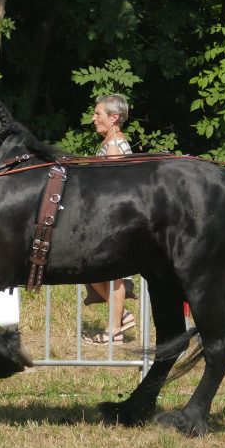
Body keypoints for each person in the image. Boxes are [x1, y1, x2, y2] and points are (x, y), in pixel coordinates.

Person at [86, 93, 135, 344]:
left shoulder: (114, 146)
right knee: (92, 271)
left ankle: (114, 330)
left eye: (98, 114)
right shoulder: (111, 142)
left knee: (114, 276)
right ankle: (122, 316)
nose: (94, 118)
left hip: (114, 221)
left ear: (114, 118)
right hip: (108, 220)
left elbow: (116, 190)